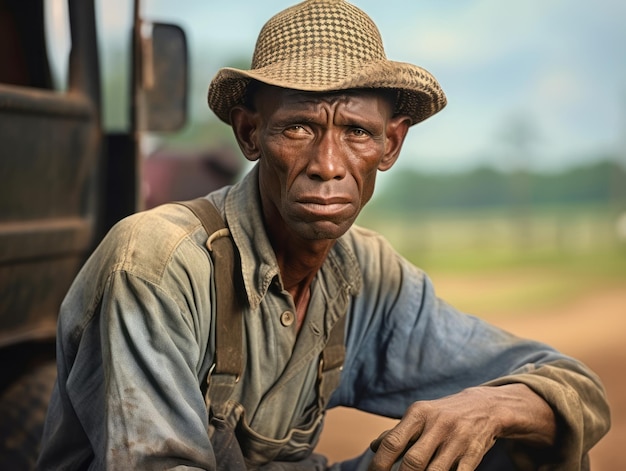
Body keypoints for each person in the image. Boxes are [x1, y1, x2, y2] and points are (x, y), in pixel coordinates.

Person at [38, 1, 610, 470]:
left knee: (524, 442)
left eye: (357, 132)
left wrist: (491, 405)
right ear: (250, 133)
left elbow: (572, 386)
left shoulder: (370, 276)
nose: (328, 164)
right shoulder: (156, 265)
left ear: (390, 145)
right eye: (299, 127)